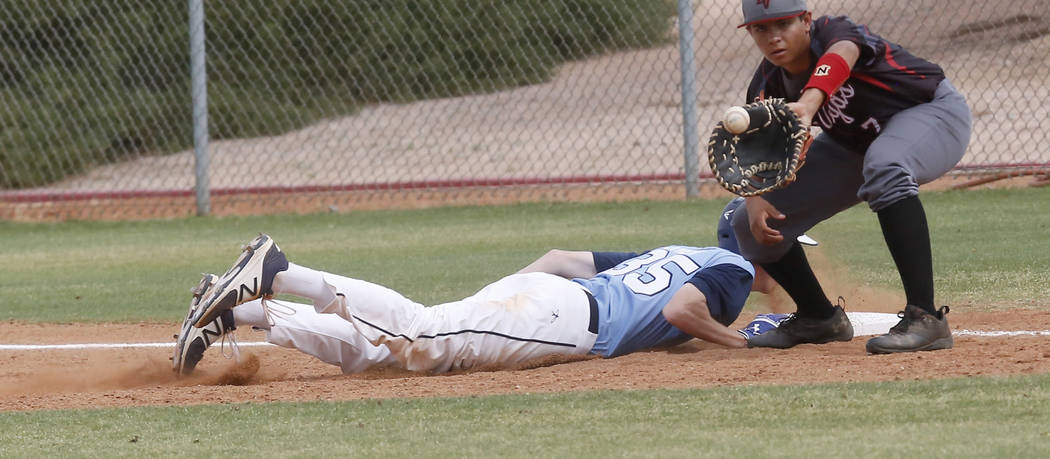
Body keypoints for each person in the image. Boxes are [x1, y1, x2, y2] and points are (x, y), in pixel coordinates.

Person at [173, 201, 774, 376]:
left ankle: (250, 313)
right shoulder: (736, 270)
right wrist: (736, 344)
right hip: (565, 320)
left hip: (547, 295)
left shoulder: (676, 252)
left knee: (383, 356)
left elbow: (562, 257)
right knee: (424, 335)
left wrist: (511, 295)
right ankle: (280, 271)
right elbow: (682, 308)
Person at [730, 0, 971, 353]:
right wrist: (754, 195)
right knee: (744, 222)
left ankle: (927, 319)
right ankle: (818, 317)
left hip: (931, 112)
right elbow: (758, 157)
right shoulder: (766, 87)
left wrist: (810, 103)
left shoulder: (833, 32)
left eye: (784, 24)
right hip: (857, 145)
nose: (774, 37)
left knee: (887, 165)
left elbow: (841, 54)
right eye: (761, 29)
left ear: (806, 20)